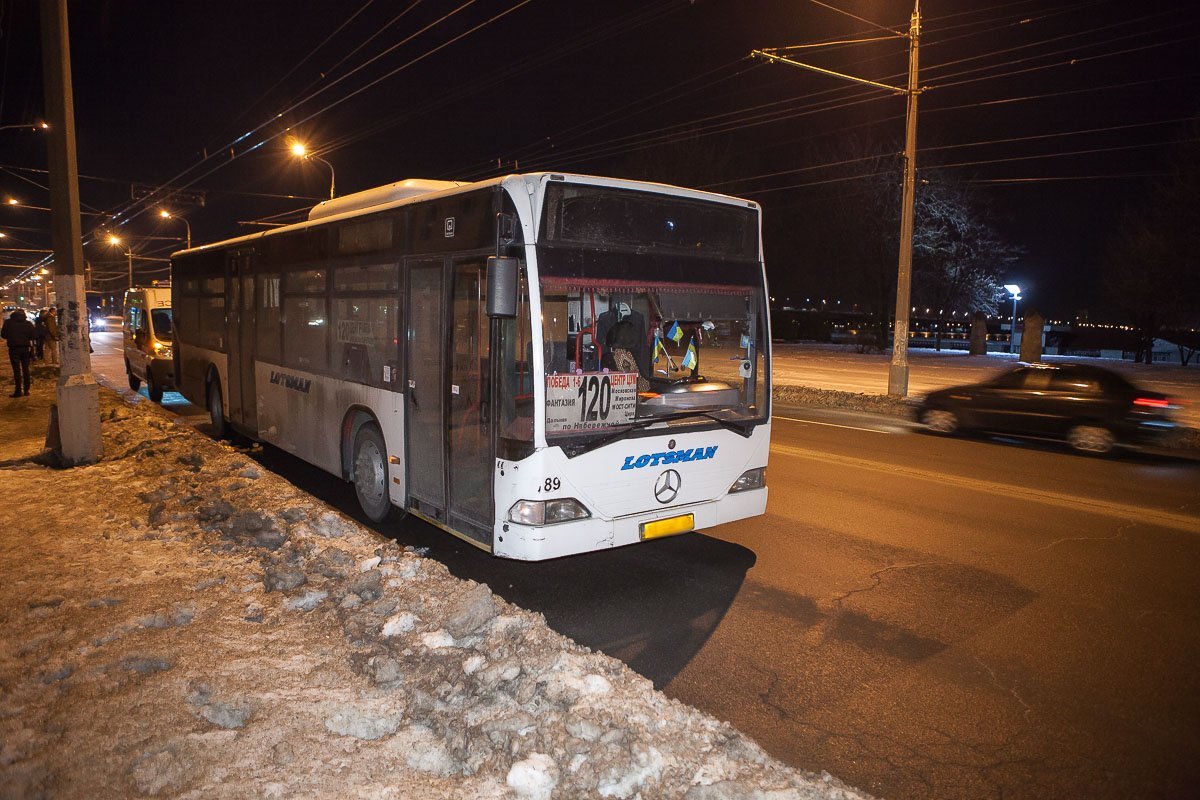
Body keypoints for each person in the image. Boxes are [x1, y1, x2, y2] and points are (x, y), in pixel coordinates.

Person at [2, 309, 35, 397]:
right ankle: (26, 390)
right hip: (25, 349)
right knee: (25, 369)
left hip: (13, 349)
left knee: (16, 370)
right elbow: (33, 335)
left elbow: (3, 335)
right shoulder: (28, 323)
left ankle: (18, 391)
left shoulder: (8, 323)